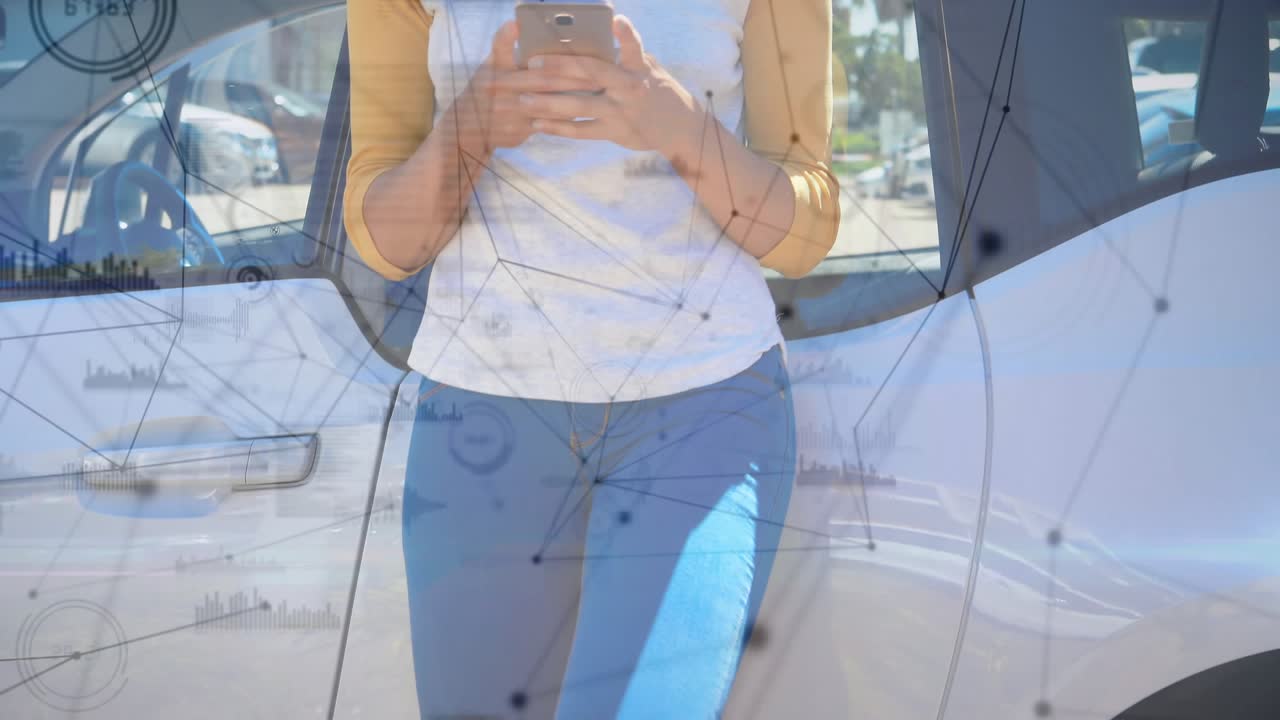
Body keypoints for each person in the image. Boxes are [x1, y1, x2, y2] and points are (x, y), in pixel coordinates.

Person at [343, 0, 840, 717]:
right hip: (481, 422)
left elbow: (806, 231)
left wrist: (671, 121)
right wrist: (473, 126)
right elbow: (383, 240)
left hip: (702, 414)